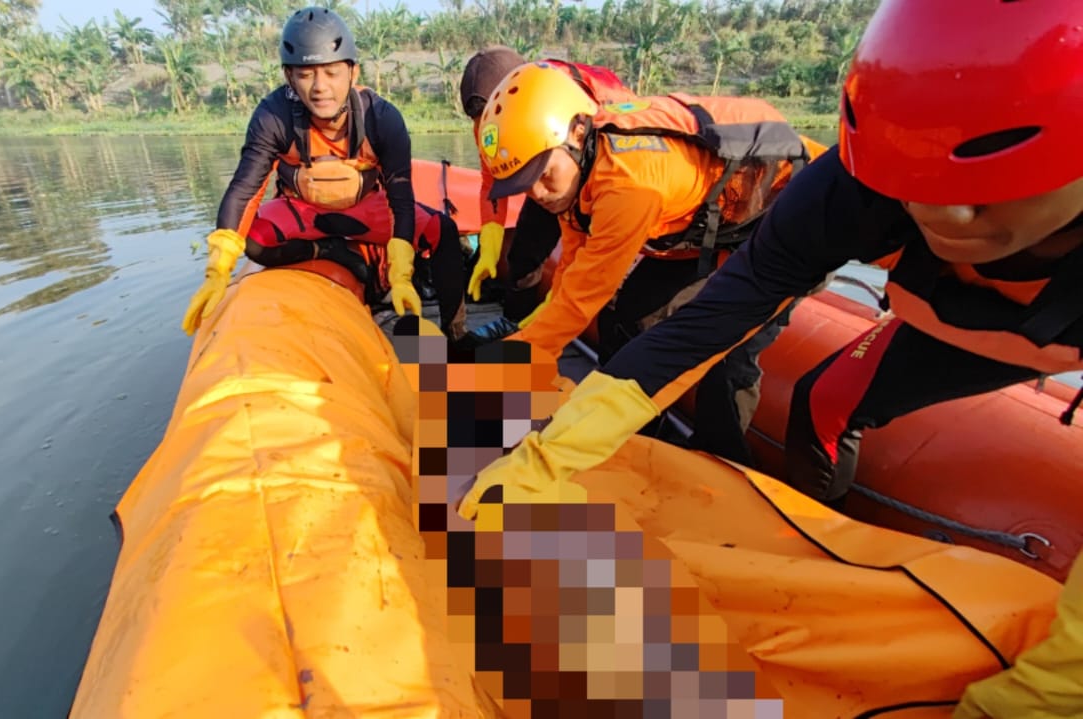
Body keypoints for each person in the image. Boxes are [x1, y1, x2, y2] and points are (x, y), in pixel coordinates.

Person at [459, 2, 1083, 714]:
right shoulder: (859, 185)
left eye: (979, 200)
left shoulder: (633, 180)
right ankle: (807, 550)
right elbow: (710, 317)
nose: (950, 222)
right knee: (821, 399)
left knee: (730, 375)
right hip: (919, 298)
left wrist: (1038, 695)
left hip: (1030, 304)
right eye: (922, 199)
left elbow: (587, 297)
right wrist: (547, 457)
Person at [471, 60, 827, 463]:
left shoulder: (628, 181)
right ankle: (632, 437)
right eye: (523, 184)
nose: (538, 192)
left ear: (578, 131)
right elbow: (573, 265)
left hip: (787, 215)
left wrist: (516, 363)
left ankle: (721, 462)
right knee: (631, 317)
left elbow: (583, 297)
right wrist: (534, 332)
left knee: (729, 354)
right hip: (705, 224)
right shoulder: (576, 175)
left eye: (543, 174)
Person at [181, 6, 470, 341]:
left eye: (331, 72)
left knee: (444, 230)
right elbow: (245, 189)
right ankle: (330, 251)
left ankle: (456, 334)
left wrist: (402, 275)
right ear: (289, 77)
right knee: (254, 241)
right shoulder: (273, 117)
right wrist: (218, 271)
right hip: (306, 210)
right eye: (306, 74)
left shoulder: (382, 118)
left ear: (353, 72)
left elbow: (401, 200)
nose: (320, 87)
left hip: (367, 208)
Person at [456, 46, 637, 345]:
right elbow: (492, 181)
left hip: (603, 173)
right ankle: (516, 323)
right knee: (525, 248)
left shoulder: (577, 106)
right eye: (479, 119)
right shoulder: (491, 122)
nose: (484, 125)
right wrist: (489, 242)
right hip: (545, 170)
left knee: (604, 273)